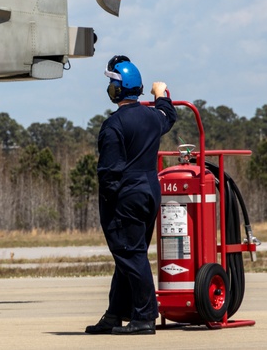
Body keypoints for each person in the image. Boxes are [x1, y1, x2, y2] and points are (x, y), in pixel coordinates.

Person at [85, 55, 176, 336]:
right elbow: (168, 116)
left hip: (127, 197)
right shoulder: (152, 116)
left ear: (119, 89)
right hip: (150, 192)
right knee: (128, 255)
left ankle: (145, 317)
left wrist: (111, 203)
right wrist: (161, 95)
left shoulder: (113, 125)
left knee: (130, 254)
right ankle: (115, 314)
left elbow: (109, 172)